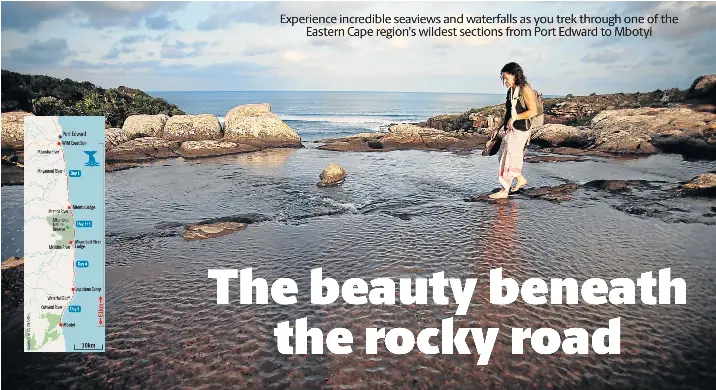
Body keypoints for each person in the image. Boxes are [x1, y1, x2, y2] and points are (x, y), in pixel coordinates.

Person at [487, 62, 538, 200]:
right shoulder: (510, 91)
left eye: (506, 78)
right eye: (503, 78)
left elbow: (533, 111)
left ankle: (504, 190)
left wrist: (516, 118)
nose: (504, 81)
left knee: (508, 158)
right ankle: (520, 179)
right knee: (502, 155)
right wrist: (497, 127)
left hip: (521, 129)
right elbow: (508, 113)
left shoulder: (526, 89)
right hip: (510, 128)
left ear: (515, 75)